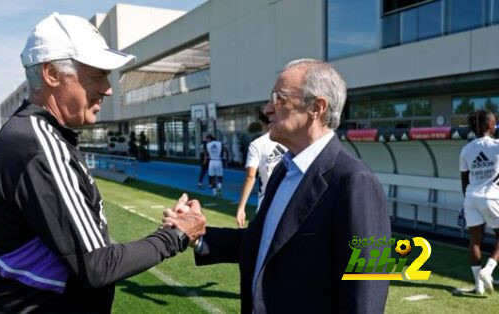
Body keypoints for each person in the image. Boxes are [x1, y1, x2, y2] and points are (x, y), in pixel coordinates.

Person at [0, 13, 205, 313]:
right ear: (52, 73)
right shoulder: (38, 144)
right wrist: (176, 235)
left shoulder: (40, 135)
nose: (108, 88)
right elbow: (98, 266)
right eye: (98, 74)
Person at [165, 58, 390, 313]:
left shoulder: (356, 181)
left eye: (279, 98)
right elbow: (262, 241)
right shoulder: (284, 170)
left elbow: (368, 286)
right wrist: (198, 234)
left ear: (316, 108)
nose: (267, 108)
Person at [459, 109, 499, 295]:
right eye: (495, 122)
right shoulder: (497, 146)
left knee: (475, 240)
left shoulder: (466, 149)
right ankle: (488, 270)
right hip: (491, 197)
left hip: (471, 198)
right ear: (490, 125)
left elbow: (464, 179)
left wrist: (466, 200)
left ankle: (478, 287)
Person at [236, 112, 287, 227]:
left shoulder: (257, 145)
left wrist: (241, 207)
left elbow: (250, 176)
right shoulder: (291, 138)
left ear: (261, 122)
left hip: (266, 202)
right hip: (289, 198)